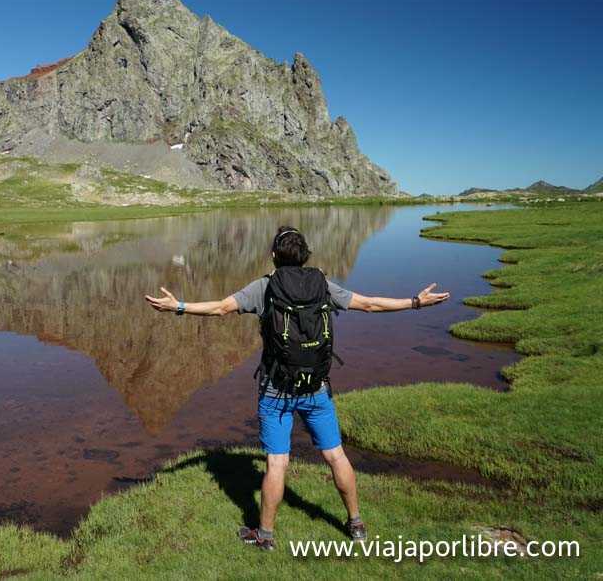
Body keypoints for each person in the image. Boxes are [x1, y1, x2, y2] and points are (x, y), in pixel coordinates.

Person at [144, 225, 450, 551]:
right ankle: (356, 524)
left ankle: (265, 535)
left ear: (274, 255)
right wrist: (416, 302)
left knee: (277, 462)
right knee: (335, 455)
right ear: (305, 255)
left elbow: (221, 308)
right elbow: (370, 304)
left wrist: (178, 307)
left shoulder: (265, 287)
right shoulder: (322, 284)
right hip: (316, 388)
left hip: (277, 389)